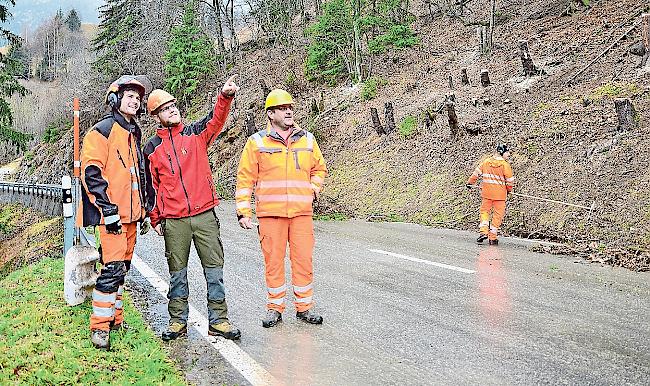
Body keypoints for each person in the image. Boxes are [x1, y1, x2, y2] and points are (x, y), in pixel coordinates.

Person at [143, 75, 241, 341]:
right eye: (165, 108)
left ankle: (219, 320)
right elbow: (150, 188)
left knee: (214, 271)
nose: (172, 109)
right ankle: (177, 321)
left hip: (204, 215)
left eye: (173, 105)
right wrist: (155, 219)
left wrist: (225, 96)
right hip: (174, 221)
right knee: (177, 274)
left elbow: (216, 119)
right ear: (156, 116)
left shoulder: (195, 133)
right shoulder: (151, 148)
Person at [235, 89, 327, 328]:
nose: (289, 111)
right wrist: (243, 211)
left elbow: (319, 169)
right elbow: (245, 179)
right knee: (273, 262)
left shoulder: (307, 139)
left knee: (303, 261)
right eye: (283, 108)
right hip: (270, 215)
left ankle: (304, 307)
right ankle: (275, 308)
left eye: (291, 108)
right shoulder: (256, 142)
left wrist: (313, 189)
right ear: (270, 114)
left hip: (301, 214)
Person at [80, 75, 148, 350]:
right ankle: (99, 327)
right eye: (129, 95)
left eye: (138, 97)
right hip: (113, 218)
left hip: (131, 217)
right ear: (115, 99)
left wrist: (143, 209)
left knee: (123, 271)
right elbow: (91, 172)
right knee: (112, 270)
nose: (135, 100)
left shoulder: (133, 133)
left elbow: (137, 176)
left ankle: (116, 319)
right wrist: (107, 209)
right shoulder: (102, 131)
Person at [466, 144, 514, 245]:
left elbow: (476, 173)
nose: (509, 154)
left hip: (487, 193)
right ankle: (492, 237)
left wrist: (470, 183)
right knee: (497, 215)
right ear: (501, 153)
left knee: (484, 212)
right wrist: (509, 190)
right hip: (500, 196)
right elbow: (510, 181)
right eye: (507, 152)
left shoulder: (486, 162)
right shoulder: (505, 165)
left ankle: (483, 231)